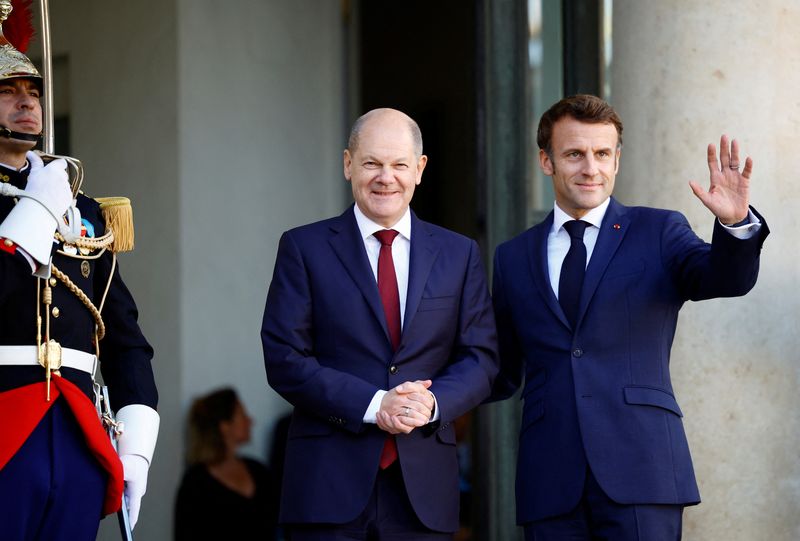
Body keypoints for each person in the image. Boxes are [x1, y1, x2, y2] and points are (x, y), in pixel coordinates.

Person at [491, 94, 769, 540]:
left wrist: (735, 228)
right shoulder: (512, 257)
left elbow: (724, 279)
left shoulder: (658, 231)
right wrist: (429, 396)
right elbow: (499, 369)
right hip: (550, 480)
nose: (590, 168)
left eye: (602, 154)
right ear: (546, 161)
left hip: (644, 471)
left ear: (617, 160)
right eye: (574, 154)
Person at [261, 107, 498, 539]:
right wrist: (375, 405)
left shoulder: (459, 254)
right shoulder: (303, 248)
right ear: (348, 163)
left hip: (423, 490)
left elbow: (481, 359)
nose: (385, 177)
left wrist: (430, 403)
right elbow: (284, 358)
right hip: (325, 487)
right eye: (372, 163)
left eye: (399, 165)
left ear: (419, 169)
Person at [0, 3, 159, 539]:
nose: (28, 101)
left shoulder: (84, 212)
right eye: (7, 89)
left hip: (77, 435)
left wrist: (135, 447)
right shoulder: (49, 204)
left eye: (35, 90)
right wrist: (37, 210)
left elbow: (125, 339)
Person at [174, 387, 278, 540]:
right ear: (225, 426)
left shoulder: (258, 471)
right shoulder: (195, 483)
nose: (250, 421)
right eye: (242, 414)